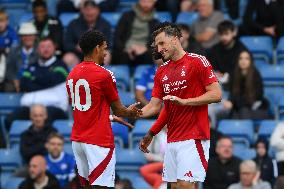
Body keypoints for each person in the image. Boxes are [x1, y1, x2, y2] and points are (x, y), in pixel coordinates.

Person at [139, 22, 222, 189]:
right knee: (175, 187)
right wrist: (130, 117)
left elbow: (216, 94)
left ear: (175, 39)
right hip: (172, 138)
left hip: (193, 136)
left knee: (185, 186)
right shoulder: (161, 71)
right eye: (157, 45)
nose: (159, 49)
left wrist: (185, 101)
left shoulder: (198, 61)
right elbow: (157, 107)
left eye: (162, 43)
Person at [66, 29, 142, 188]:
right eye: (105, 48)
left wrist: (108, 116)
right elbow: (120, 110)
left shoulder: (72, 74)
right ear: (96, 49)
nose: (106, 53)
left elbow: (82, 108)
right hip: (98, 140)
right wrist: (130, 112)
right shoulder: (104, 74)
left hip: (78, 140)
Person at [222, 50, 269, 119]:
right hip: (239, 108)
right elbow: (232, 94)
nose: (243, 61)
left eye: (246, 58)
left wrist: (234, 103)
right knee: (231, 113)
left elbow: (257, 96)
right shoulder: (234, 75)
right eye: (241, 58)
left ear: (251, 61)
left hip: (255, 108)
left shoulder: (256, 75)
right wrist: (230, 102)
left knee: (242, 111)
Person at [112, 0, 160, 65]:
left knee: (149, 56)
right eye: (144, 1)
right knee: (121, 56)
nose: (146, 4)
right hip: (125, 49)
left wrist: (146, 48)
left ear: (154, 3)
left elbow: (155, 41)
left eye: (149, 1)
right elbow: (117, 36)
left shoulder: (155, 22)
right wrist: (125, 49)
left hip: (145, 50)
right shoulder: (126, 16)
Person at [208, 20, 247, 87]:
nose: (224, 37)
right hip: (218, 84)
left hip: (237, 84)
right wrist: (215, 73)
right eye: (221, 34)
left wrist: (227, 75)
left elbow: (244, 70)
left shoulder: (242, 50)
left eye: (226, 34)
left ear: (234, 33)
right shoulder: (214, 49)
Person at [5, 22, 39, 92]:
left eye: (30, 35)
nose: (27, 38)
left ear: (35, 36)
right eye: (24, 35)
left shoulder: (40, 50)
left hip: (34, 81)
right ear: (20, 37)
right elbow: (9, 70)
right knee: (8, 87)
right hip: (16, 81)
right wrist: (15, 80)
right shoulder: (13, 50)